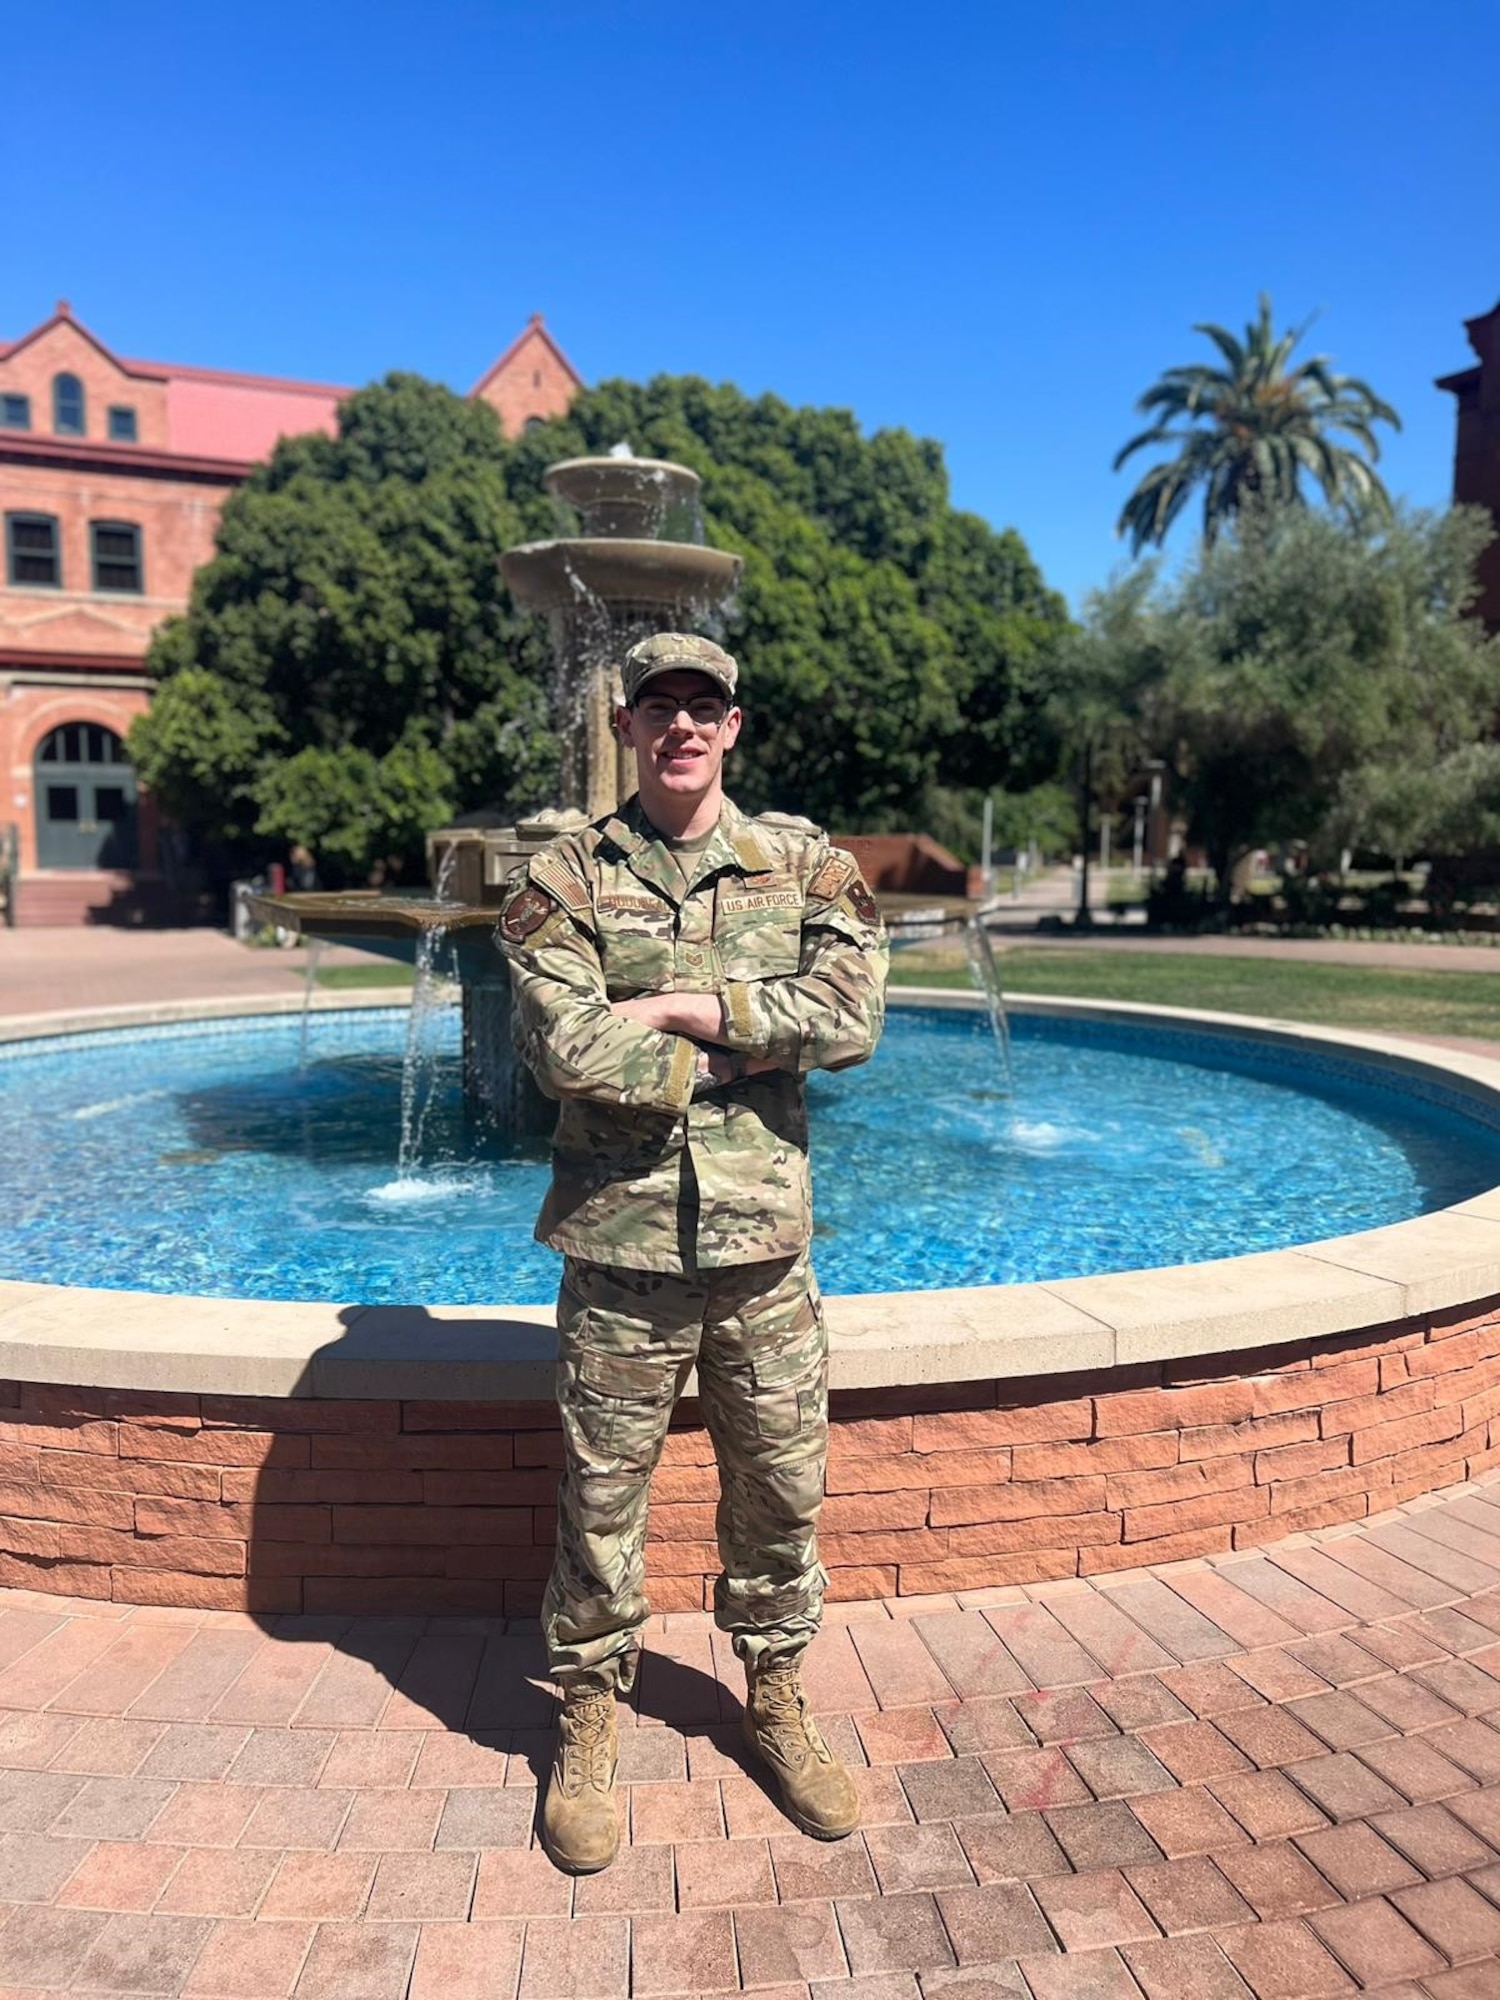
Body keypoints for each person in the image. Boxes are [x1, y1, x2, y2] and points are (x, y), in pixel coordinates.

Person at [497, 632, 888, 1874]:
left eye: (702, 706)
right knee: (600, 1500)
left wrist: (674, 1011)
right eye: (658, 704)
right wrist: (756, 1045)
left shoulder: (805, 862)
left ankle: (774, 1694)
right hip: (619, 1255)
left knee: (780, 1494)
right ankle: (591, 1712)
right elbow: (561, 1048)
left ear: (734, 726)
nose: (680, 725)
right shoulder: (559, 880)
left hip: (764, 1252)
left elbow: (856, 1014)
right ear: (625, 725)